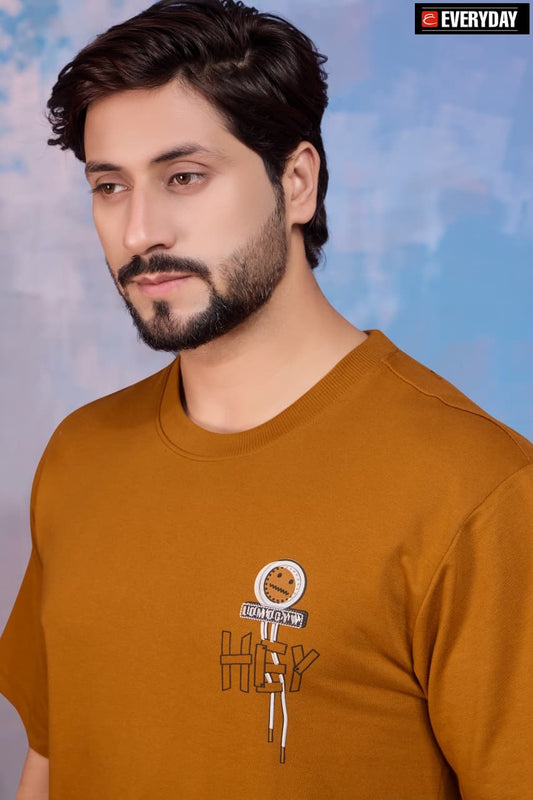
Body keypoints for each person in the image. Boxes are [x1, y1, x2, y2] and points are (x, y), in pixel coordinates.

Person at [0, 0, 532, 797]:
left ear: (296, 182)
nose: (140, 231)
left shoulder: (479, 491)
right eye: (109, 185)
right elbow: (51, 758)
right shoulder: (79, 453)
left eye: (183, 177)